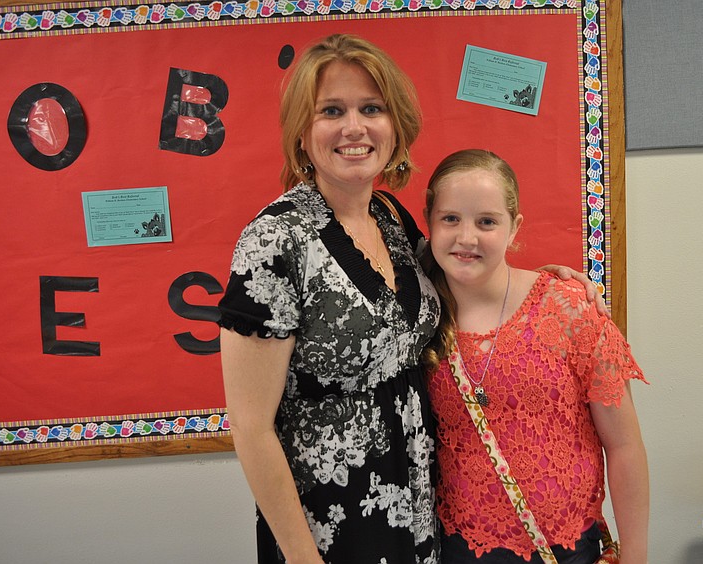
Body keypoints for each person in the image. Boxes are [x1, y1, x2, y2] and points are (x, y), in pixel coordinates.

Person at [218, 34, 607, 564]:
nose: (354, 127)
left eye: (370, 109)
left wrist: (546, 282)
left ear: (394, 125)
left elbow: (467, 269)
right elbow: (250, 427)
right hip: (330, 526)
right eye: (332, 110)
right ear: (302, 133)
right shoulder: (274, 242)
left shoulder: (391, 218)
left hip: (420, 510)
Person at [422, 149, 649, 564]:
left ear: (514, 228)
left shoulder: (568, 309)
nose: (467, 237)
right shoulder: (418, 317)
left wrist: (635, 555)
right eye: (450, 218)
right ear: (429, 222)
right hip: (459, 548)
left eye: (487, 221)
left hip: (567, 549)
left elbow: (624, 445)